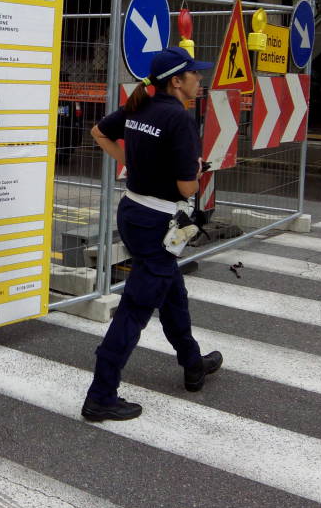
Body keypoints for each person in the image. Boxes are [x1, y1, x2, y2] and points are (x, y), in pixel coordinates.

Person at [81, 46, 223, 423]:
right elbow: (188, 189)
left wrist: (133, 162)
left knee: (172, 292)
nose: (200, 79)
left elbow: (98, 132)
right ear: (177, 81)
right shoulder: (178, 119)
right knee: (135, 309)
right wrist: (197, 169)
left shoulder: (139, 103)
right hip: (159, 222)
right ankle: (100, 395)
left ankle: (192, 363)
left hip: (133, 210)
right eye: (194, 74)